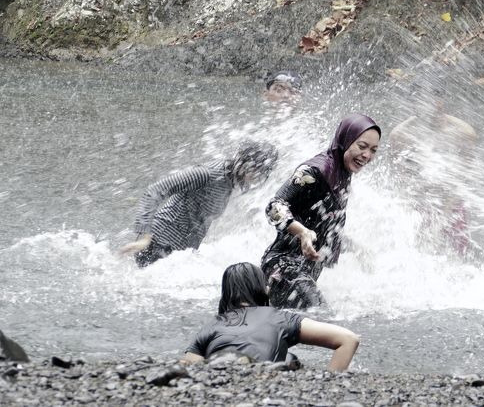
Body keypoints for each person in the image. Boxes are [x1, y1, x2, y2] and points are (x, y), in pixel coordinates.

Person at [261, 114, 381, 308]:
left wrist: (355, 248)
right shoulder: (315, 171)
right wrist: (302, 233)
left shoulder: (341, 174)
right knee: (322, 319)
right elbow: (274, 206)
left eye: (374, 150)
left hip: (303, 273)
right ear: (345, 141)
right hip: (284, 268)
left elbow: (324, 225)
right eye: (362, 146)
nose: (367, 155)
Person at [120, 140, 279, 267]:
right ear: (244, 163)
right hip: (156, 246)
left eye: (263, 173)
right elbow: (155, 190)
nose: (258, 177)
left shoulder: (230, 184)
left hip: (177, 255)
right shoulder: (207, 174)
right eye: (257, 170)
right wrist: (144, 236)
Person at [182, 262, 358, 371]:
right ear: (262, 289)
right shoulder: (279, 317)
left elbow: (190, 366)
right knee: (290, 360)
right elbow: (348, 339)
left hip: (219, 382)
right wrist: (330, 384)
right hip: (261, 381)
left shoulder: (213, 325)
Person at [389, 82, 478, 256]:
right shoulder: (400, 136)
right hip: (418, 204)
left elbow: (465, 178)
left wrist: (445, 214)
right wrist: (410, 216)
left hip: (452, 203)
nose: (420, 106)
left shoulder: (463, 133)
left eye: (425, 100)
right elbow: (400, 181)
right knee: (416, 255)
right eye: (416, 102)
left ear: (440, 102)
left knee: (457, 259)